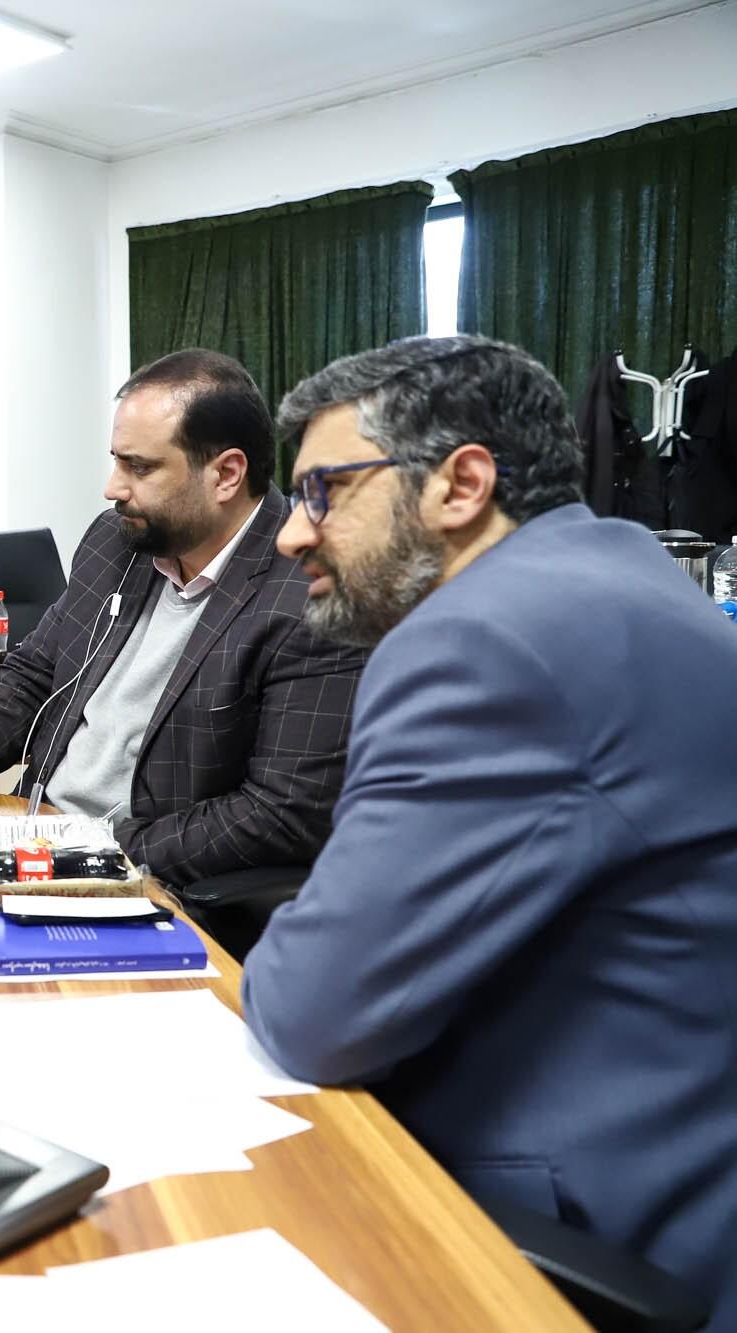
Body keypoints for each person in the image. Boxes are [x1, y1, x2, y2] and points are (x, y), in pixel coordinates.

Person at [244, 336, 737, 1319]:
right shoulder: (617, 570)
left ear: (461, 484)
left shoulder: (482, 639)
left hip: (579, 1231)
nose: (291, 536)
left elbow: (312, 1014)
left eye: (321, 491)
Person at [0, 350, 365, 886]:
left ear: (226, 474)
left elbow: (277, 812)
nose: (113, 488)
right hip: (34, 837)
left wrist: (90, 850)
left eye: (139, 467)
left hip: (145, 876)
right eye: (117, 461)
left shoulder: (312, 594)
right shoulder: (117, 541)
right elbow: (34, 673)